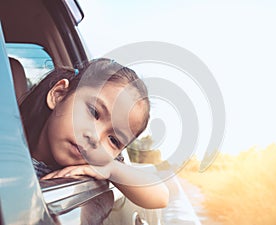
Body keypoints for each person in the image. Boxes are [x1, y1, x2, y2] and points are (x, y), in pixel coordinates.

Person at [20, 58, 169, 210]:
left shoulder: (96, 168)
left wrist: (111, 169)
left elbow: (161, 196)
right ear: (59, 95)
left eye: (113, 141)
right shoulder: (9, 153)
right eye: (94, 112)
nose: (95, 138)